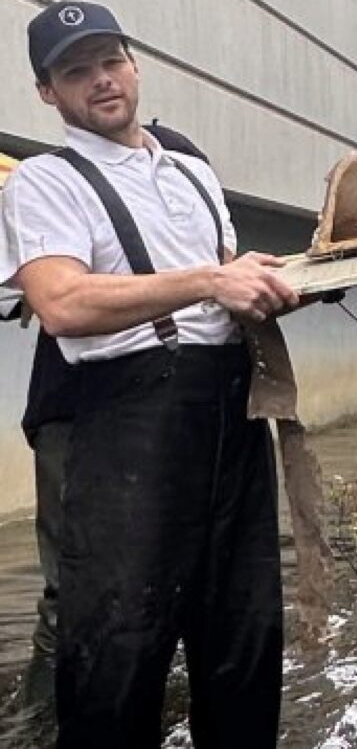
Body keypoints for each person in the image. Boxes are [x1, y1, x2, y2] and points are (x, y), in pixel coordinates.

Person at [0, 0, 300, 749]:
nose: (100, 80)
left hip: (228, 409)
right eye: (75, 71)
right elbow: (59, 303)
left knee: (241, 618)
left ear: (133, 63)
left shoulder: (191, 170)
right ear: (47, 93)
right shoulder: (46, 182)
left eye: (110, 59)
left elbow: (225, 280)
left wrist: (265, 284)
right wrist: (210, 281)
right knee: (118, 635)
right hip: (128, 419)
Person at [3, 123, 210, 711]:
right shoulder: (64, 185)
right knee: (75, 585)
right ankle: (44, 727)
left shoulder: (185, 170)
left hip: (171, 410)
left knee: (167, 569)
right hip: (76, 413)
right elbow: (58, 302)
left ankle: (142, 704)